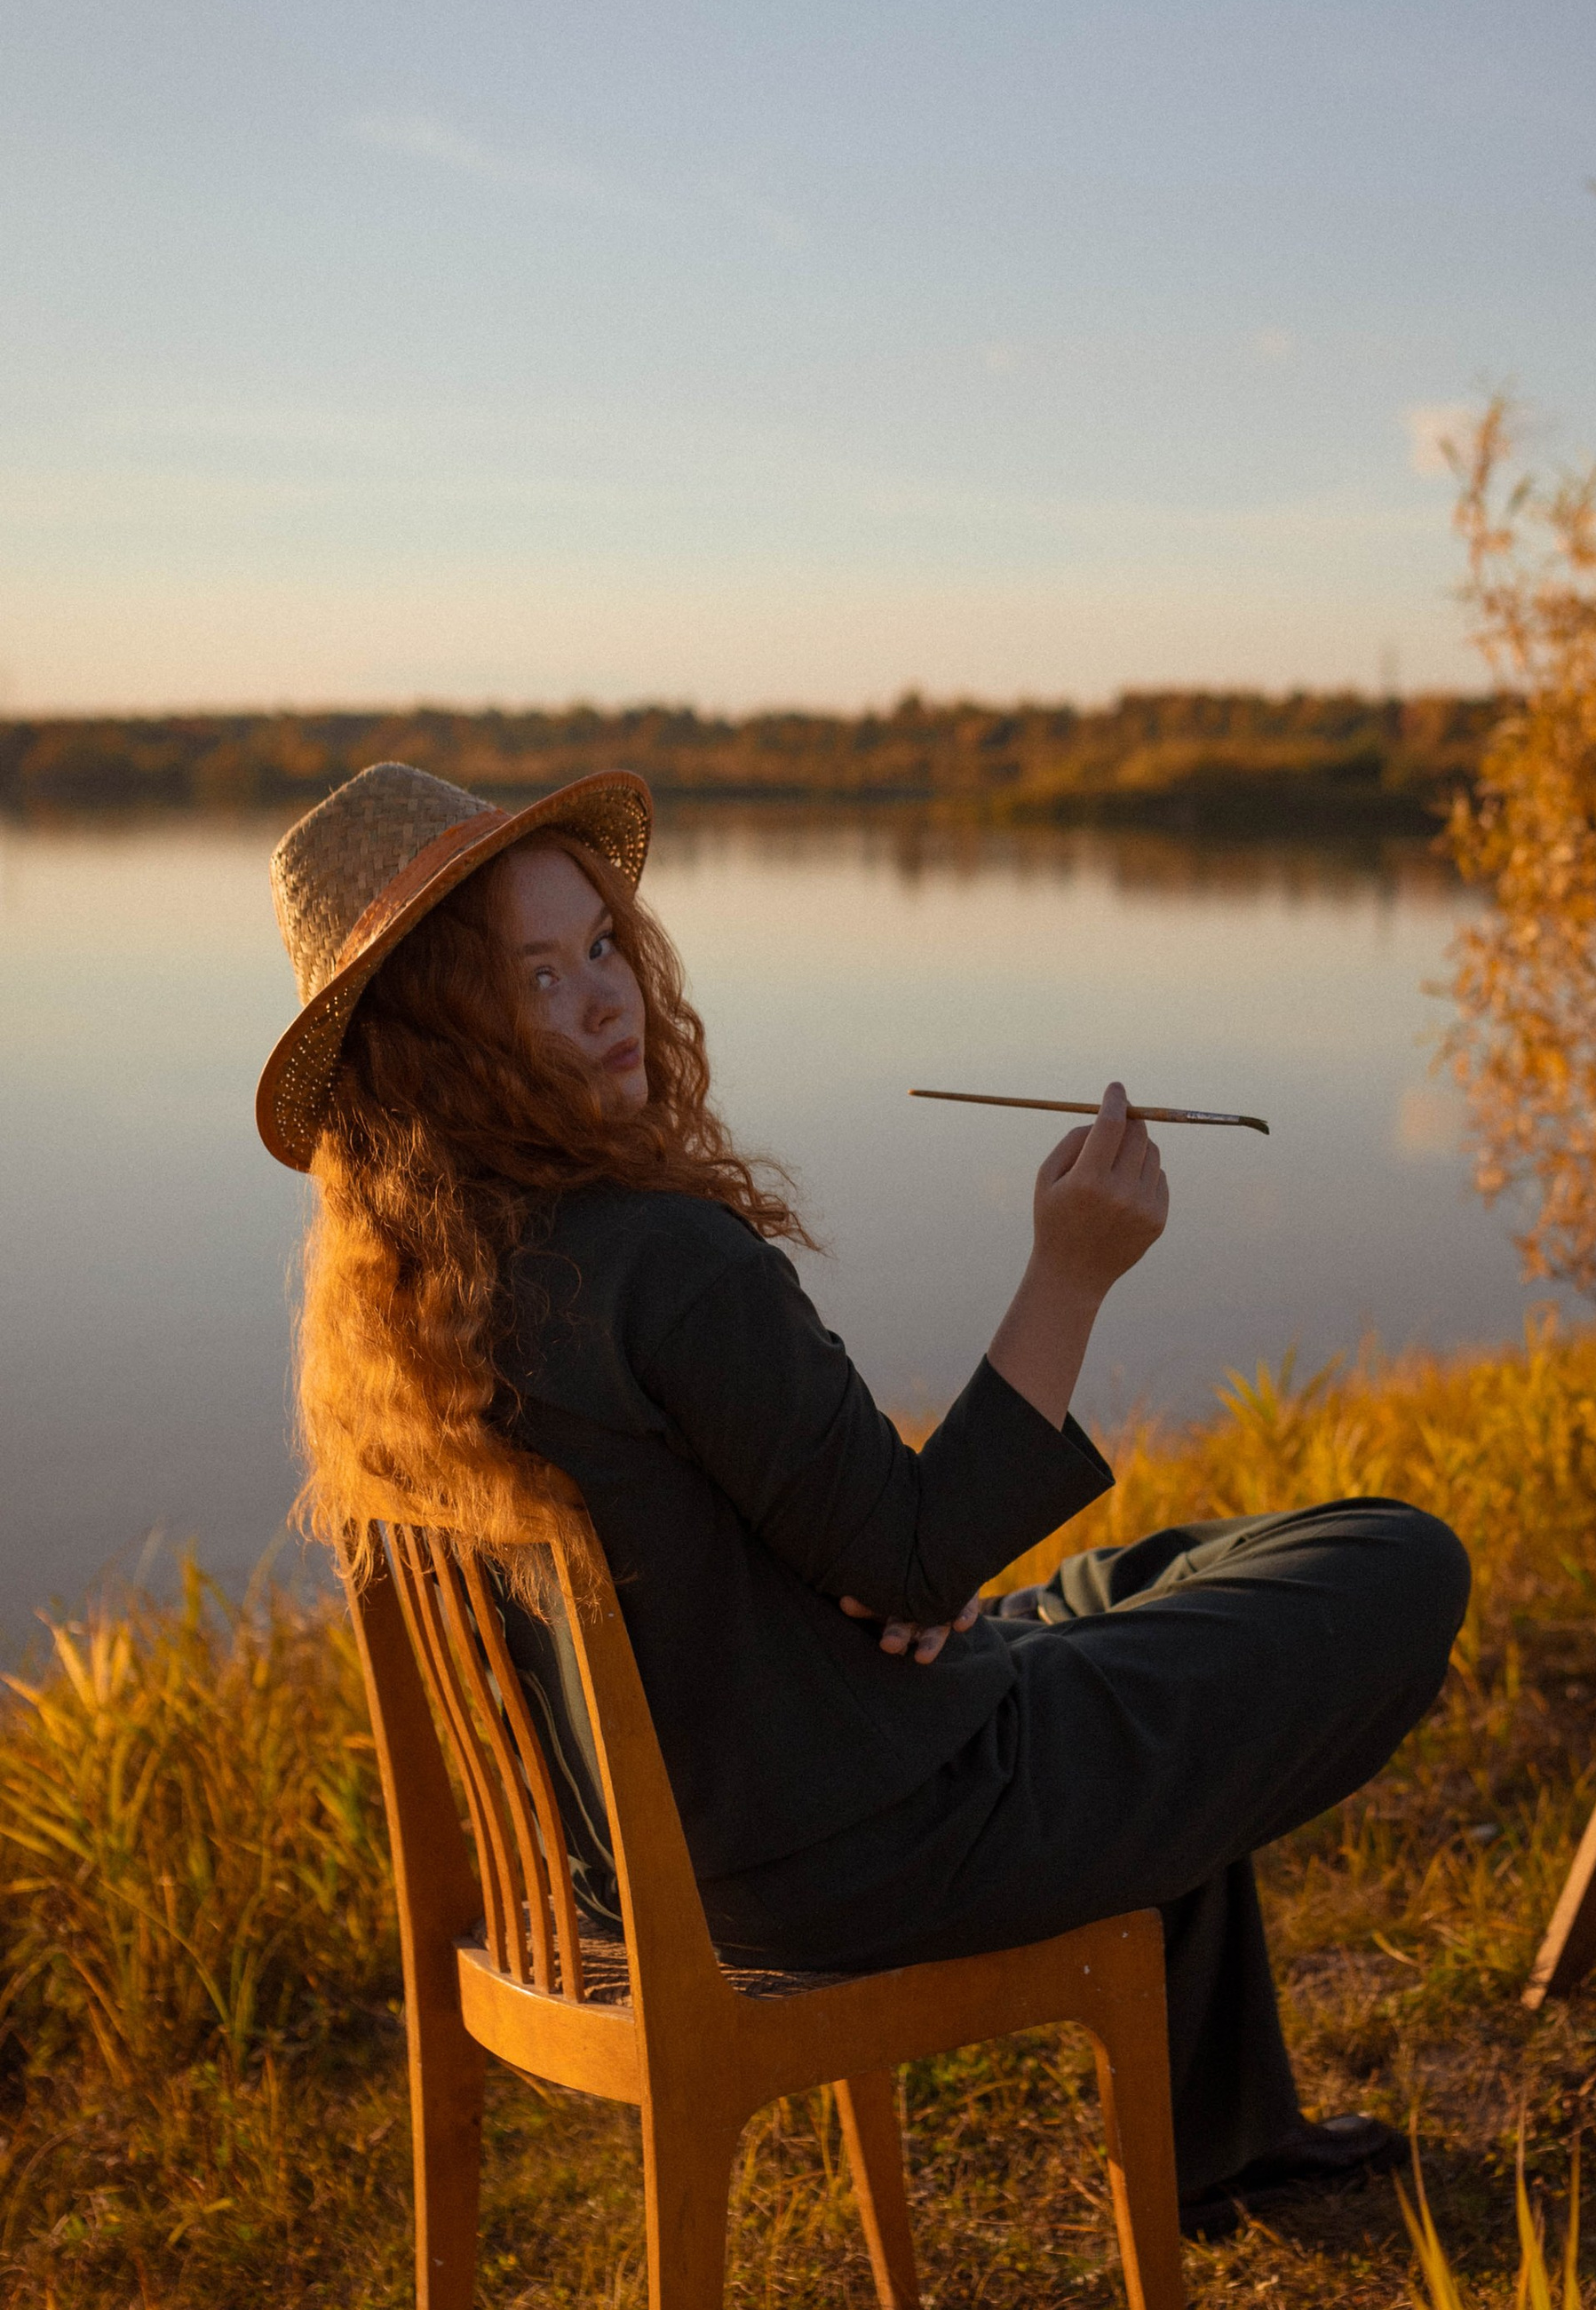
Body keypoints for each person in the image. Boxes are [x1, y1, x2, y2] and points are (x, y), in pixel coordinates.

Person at [260, 759, 1470, 2235]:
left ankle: (1225, 2138)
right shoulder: (664, 1262)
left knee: (1148, 1592)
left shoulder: (411, 1308)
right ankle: (1214, 2141)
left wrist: (897, 1584)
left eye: (597, 947)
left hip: (683, 1853)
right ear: (439, 1044)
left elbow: (850, 1561)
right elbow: (904, 1559)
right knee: (1390, 1560)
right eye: (534, 979)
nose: (604, 999)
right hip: (879, 1846)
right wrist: (1069, 1271)